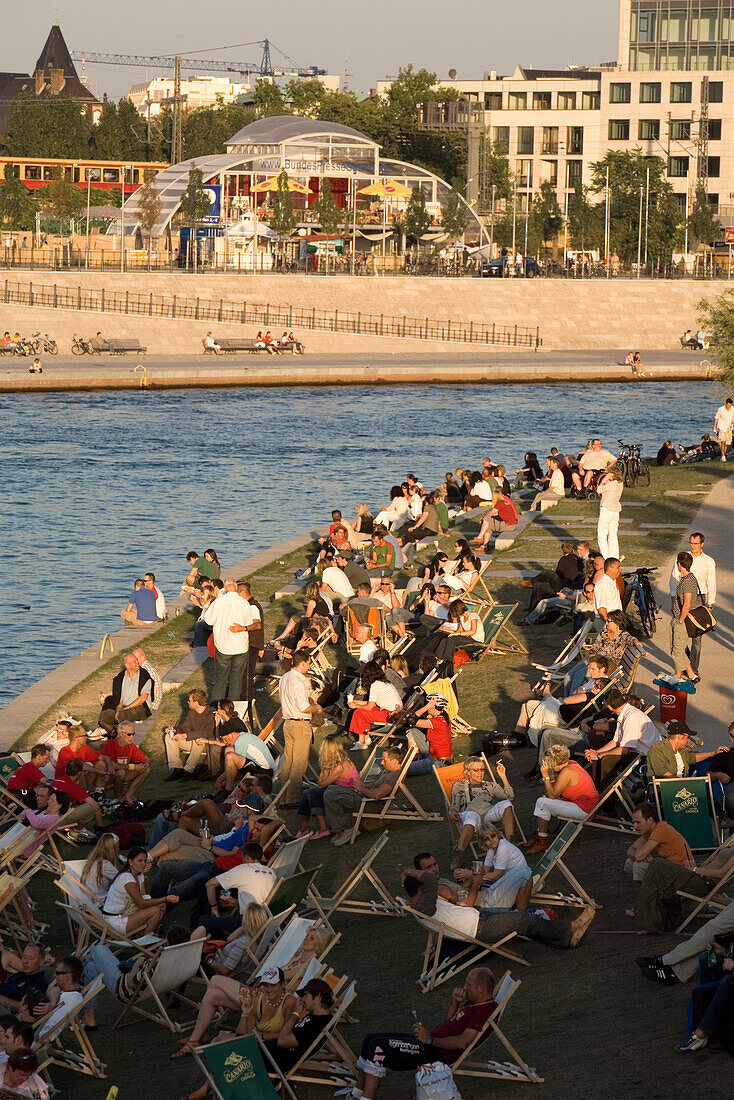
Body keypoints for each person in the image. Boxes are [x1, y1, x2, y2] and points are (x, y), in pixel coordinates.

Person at [347, 967, 498, 1099]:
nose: (464, 987)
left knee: (378, 1046)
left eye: (468, 984)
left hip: (435, 1054)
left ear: (481, 988)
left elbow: (463, 1042)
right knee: (371, 1038)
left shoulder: (484, 1011)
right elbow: (451, 1022)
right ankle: (357, 1094)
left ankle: (366, 1099)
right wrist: (454, 1003)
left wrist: (430, 1040)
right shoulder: (474, 1003)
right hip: (430, 1044)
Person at [403, 853, 594, 951]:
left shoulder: (421, 904)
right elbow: (428, 880)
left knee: (522, 920)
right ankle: (571, 929)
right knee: (524, 920)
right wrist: (408, 872)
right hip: (480, 928)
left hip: (479, 916)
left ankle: (566, 939)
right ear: (420, 889)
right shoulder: (424, 904)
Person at [323, 742, 405, 846]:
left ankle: (347, 828)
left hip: (368, 804)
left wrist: (362, 789)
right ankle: (341, 828)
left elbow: (377, 795)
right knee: (331, 788)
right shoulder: (389, 772)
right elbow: (375, 786)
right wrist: (364, 785)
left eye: (384, 760)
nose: (382, 763)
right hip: (364, 798)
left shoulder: (393, 776)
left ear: (394, 761)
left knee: (330, 795)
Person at [524, 743, 599, 853]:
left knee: (542, 802)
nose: (550, 768)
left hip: (585, 810)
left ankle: (542, 841)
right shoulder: (571, 764)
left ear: (557, 764)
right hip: (586, 805)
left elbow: (553, 795)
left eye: (551, 765)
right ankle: (539, 835)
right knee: (544, 801)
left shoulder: (567, 772)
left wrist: (545, 776)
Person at [202, 578, 261, 703]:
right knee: (236, 681)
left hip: (224, 646)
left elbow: (208, 620)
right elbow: (251, 623)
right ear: (235, 587)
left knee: (220, 681)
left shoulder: (219, 602)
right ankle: (232, 708)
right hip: (241, 647)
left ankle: (216, 708)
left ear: (225, 588)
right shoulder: (244, 603)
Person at [449, 756, 515, 864]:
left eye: (482, 770)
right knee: (472, 816)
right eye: (476, 770)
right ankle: (459, 854)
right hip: (469, 815)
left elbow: (509, 797)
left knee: (507, 804)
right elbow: (454, 805)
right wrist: (452, 811)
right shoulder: (459, 785)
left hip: (487, 814)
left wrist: (503, 777)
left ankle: (509, 842)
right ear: (468, 772)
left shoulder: (489, 785)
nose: (480, 773)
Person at [278, 649, 322, 806]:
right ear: (302, 663)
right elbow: (304, 707)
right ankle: (292, 798)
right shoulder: (299, 682)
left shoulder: (284, 677)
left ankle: (281, 796)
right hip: (300, 724)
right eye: (309, 663)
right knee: (299, 763)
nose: (309, 666)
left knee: (287, 762)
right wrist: (316, 707)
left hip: (288, 722)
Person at [668, 532, 716, 676]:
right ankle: (684, 663)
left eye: (695, 543)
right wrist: (672, 598)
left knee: (697, 636)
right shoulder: (683, 557)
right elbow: (673, 578)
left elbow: (711, 582)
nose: (693, 546)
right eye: (691, 543)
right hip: (682, 598)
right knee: (679, 634)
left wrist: (710, 603)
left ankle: (693, 669)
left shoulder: (708, 561)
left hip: (699, 599)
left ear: (702, 544)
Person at [101, 847, 176, 937]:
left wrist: (142, 879)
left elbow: (143, 895)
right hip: (115, 920)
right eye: (139, 861)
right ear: (130, 861)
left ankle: (144, 932)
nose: (143, 864)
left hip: (127, 911)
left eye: (145, 861)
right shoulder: (126, 878)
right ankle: (145, 941)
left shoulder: (138, 875)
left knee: (162, 906)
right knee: (155, 911)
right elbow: (141, 903)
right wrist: (165, 899)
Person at [296, 734, 359, 840]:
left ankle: (323, 829)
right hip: (339, 794)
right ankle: (303, 830)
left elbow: (321, 784)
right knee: (307, 793)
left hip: (347, 798)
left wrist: (324, 768)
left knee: (311, 793)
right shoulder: (343, 761)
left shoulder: (340, 766)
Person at [454, 824, 531, 911]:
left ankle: (467, 895)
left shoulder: (503, 848)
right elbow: (486, 869)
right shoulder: (491, 850)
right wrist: (474, 871)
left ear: (497, 834)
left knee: (479, 882)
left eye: (493, 836)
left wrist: (472, 874)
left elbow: (496, 875)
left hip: (521, 881)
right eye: (486, 839)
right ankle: (463, 890)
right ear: (483, 842)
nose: (491, 840)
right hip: (508, 878)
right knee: (478, 881)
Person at [624, 803, 694, 885]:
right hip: (671, 868)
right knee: (630, 862)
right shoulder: (649, 831)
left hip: (684, 871)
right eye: (634, 822)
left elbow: (638, 856)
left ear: (650, 820)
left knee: (639, 865)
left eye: (638, 822)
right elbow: (630, 850)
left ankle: (649, 893)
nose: (635, 826)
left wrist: (641, 854)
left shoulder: (660, 830)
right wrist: (642, 854)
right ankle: (650, 890)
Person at [163, 689, 217, 782]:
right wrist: (175, 730)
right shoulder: (192, 712)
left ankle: (188, 771)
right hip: (194, 742)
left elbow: (207, 733)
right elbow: (185, 727)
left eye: (190, 700)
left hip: (208, 744)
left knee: (199, 739)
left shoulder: (211, 713)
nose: (188, 702)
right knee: (169, 737)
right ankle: (177, 768)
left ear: (196, 702)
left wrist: (185, 735)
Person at [646, 720, 726, 779]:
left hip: (682, 787)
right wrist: (684, 783)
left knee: (707, 797)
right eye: (688, 737)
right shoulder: (657, 748)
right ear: (680, 737)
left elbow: (693, 757)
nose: (688, 740)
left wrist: (715, 752)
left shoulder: (681, 751)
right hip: (664, 789)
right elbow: (663, 772)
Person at [98, 652, 153, 730]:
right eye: (134, 661)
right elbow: (121, 700)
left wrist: (127, 708)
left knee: (121, 716)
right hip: (124, 707)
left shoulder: (144, 675)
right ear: (127, 665)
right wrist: (118, 710)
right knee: (104, 717)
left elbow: (143, 697)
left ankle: (118, 734)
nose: (137, 662)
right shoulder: (121, 678)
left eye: (137, 660)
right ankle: (113, 733)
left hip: (140, 707)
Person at [670, 551, 703, 683]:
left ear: (679, 564)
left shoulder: (688, 581)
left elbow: (687, 604)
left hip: (682, 620)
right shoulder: (685, 578)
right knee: (678, 648)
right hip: (679, 618)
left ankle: (677, 677)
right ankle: (692, 675)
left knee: (677, 650)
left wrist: (680, 620)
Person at [99, 722, 151, 803]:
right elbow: (111, 765)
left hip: (123, 774)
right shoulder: (111, 744)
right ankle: (119, 798)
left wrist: (145, 764)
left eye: (133, 734)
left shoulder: (130, 745)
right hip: (108, 776)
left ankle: (128, 795)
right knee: (121, 772)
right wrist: (133, 767)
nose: (132, 737)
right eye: (129, 734)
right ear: (120, 734)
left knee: (146, 769)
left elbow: (146, 758)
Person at [35, 955, 83, 1040]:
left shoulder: (72, 999)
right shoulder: (68, 994)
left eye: (57, 973)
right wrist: (53, 1004)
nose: (54, 975)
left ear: (67, 976)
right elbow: (54, 989)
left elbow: (49, 1031)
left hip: (30, 1034)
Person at [406, 694, 453, 776]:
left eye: (428, 705)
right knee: (413, 731)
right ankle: (415, 760)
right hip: (440, 759)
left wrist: (427, 707)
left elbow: (411, 721)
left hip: (437, 764)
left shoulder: (436, 722)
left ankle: (413, 761)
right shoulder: (444, 717)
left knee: (402, 769)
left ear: (433, 707)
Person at [53, 724, 110, 791]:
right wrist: (100, 772)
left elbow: (104, 757)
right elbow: (78, 767)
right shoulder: (65, 752)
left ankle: (98, 793)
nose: (86, 737)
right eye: (84, 735)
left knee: (101, 763)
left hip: (77, 779)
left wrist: (110, 768)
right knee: (80, 771)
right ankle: (85, 794)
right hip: (64, 782)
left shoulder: (83, 748)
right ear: (77, 738)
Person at [0, 945, 48, 1011]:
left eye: (31, 958)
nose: (25, 962)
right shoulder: (17, 975)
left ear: (41, 962)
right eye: (24, 957)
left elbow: (23, 1007)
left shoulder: (39, 983)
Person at [79, 833, 120, 904]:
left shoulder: (91, 862)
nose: (118, 849)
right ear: (112, 849)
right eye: (117, 847)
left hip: (87, 902)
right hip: (99, 903)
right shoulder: (105, 865)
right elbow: (123, 881)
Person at [596, 466, 624, 560]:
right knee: (613, 534)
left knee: (602, 535)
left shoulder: (610, 484)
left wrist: (604, 480)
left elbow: (599, 490)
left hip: (606, 509)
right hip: (615, 510)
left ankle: (606, 556)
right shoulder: (620, 483)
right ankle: (615, 555)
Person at [594, 557, 623, 625]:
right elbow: (601, 608)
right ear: (610, 568)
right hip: (605, 623)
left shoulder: (612, 582)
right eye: (618, 567)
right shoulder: (602, 584)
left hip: (615, 621)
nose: (620, 570)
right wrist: (608, 624)